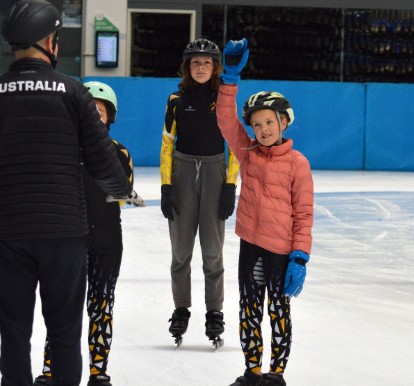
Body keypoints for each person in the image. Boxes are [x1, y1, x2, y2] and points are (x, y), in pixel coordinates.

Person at [0, 1, 133, 385]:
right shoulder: (72, 91)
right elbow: (104, 163)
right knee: (65, 332)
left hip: (8, 233)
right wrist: (121, 189)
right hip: (65, 234)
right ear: (49, 40)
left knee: (14, 333)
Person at [215, 38, 314, 386]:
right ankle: (253, 370)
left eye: (269, 123)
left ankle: (276, 373)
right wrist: (229, 80)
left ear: (283, 122)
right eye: (257, 125)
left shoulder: (298, 164)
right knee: (249, 310)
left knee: (278, 311)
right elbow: (227, 123)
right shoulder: (249, 154)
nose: (263, 130)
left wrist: (299, 256)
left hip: (281, 251)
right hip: (251, 246)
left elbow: (304, 213)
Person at [32, 81, 144, 386]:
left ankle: (98, 371)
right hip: (68, 240)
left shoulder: (119, 153)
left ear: (110, 117)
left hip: (106, 242)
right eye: (88, 110)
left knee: (101, 304)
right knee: (63, 307)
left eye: (100, 111)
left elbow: (121, 192)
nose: (94, 116)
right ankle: (51, 368)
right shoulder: (62, 150)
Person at [159, 38, 240, 347]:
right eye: (196, 62)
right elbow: (168, 142)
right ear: (187, 67)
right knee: (180, 252)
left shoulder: (224, 98)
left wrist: (230, 185)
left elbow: (233, 143)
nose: (201, 67)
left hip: (215, 171)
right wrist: (166, 185)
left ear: (215, 67)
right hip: (181, 171)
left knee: (212, 252)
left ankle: (214, 312)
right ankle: (181, 308)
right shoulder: (175, 99)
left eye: (207, 62)